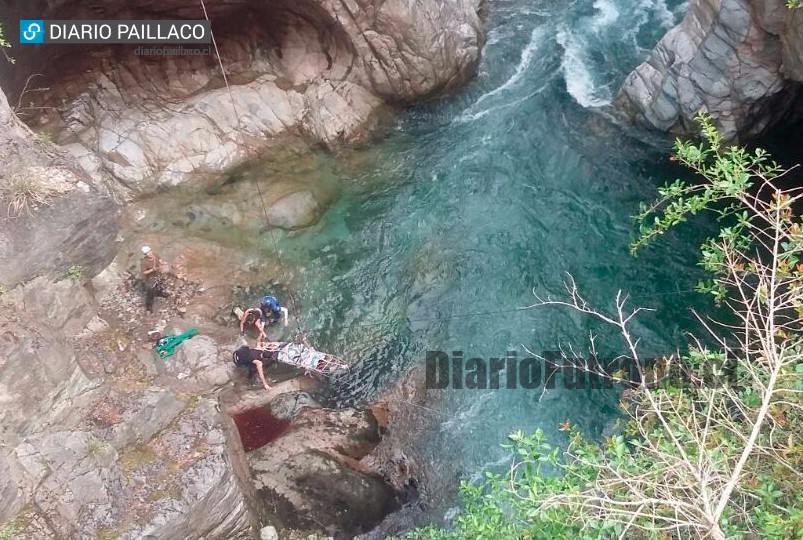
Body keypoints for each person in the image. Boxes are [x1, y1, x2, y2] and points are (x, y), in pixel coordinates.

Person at [140, 246, 168, 312]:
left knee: (160, 284)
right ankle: (149, 306)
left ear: (151, 251)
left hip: (158, 274)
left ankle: (159, 293)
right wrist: (152, 270)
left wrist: (163, 263)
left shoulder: (155, 255)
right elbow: (144, 272)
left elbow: (160, 259)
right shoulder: (144, 262)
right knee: (150, 292)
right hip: (150, 278)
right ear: (145, 255)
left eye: (149, 252)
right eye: (147, 253)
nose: (149, 254)